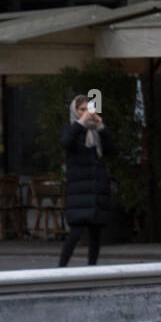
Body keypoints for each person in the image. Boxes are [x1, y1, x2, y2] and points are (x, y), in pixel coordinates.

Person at [58, 94, 115, 267]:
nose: (86, 113)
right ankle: (60, 269)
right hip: (79, 191)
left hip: (96, 190)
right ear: (75, 111)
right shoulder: (72, 130)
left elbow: (112, 150)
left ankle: (92, 269)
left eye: (88, 109)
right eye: (81, 110)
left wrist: (101, 127)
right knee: (75, 233)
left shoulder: (96, 133)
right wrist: (81, 122)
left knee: (96, 234)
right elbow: (65, 142)